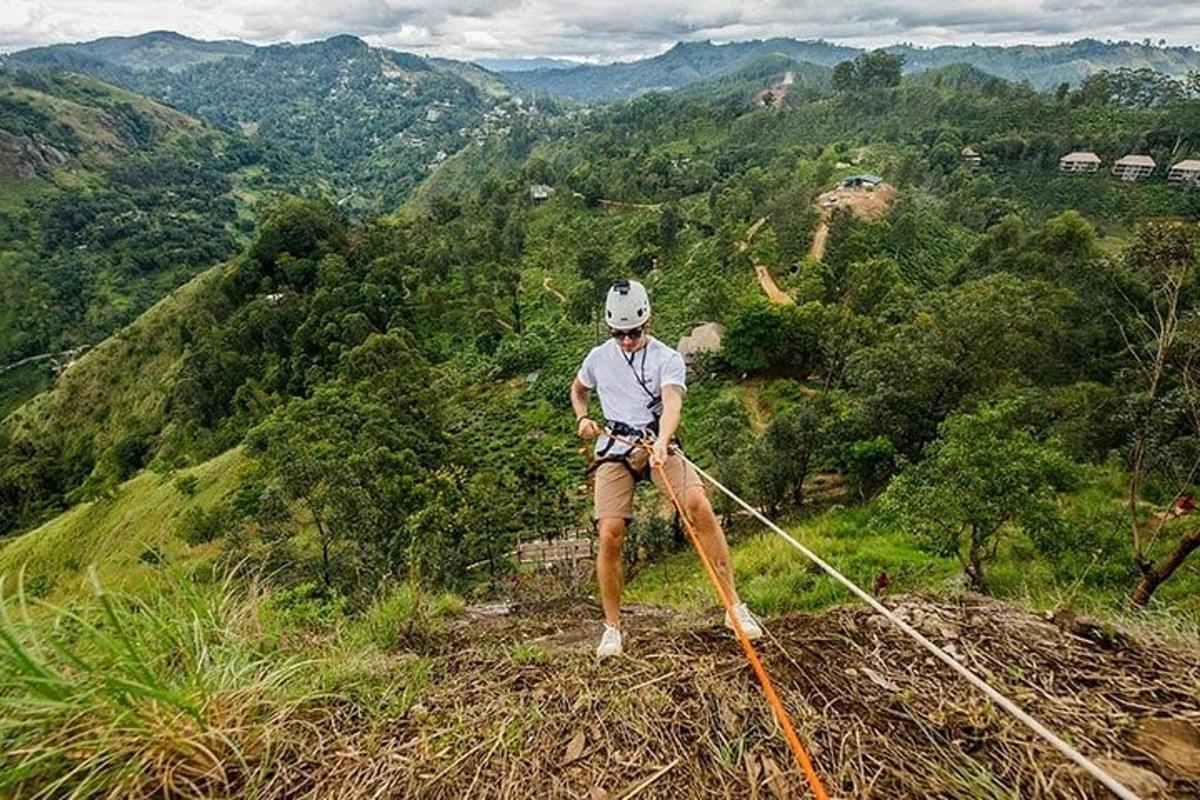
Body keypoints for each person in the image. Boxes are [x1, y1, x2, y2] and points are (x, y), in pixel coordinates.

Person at [570, 278, 762, 659]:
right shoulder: (598, 357)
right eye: (619, 334)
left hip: (656, 442)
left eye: (634, 332)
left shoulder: (666, 358)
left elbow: (672, 402)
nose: (627, 341)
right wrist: (582, 418)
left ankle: (734, 606)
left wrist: (661, 441)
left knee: (697, 504)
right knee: (609, 532)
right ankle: (612, 628)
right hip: (615, 447)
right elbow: (578, 389)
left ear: (649, 322)